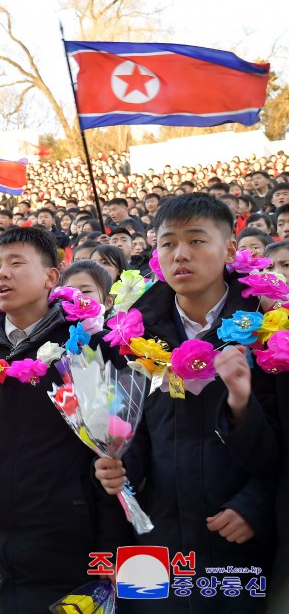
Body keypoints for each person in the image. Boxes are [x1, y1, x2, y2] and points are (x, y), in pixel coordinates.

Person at [0, 227, 132, 612]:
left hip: (60, 555)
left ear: (51, 277)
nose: (1, 274)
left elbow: (109, 456)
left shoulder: (89, 348)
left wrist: (111, 544)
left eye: (16, 263)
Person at [94, 194, 278, 613]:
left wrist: (256, 505)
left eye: (197, 241)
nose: (181, 254)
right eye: (169, 242)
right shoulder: (135, 334)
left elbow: (281, 445)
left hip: (240, 546)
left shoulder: (270, 327)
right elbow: (135, 430)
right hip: (159, 546)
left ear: (230, 248)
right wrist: (118, 467)